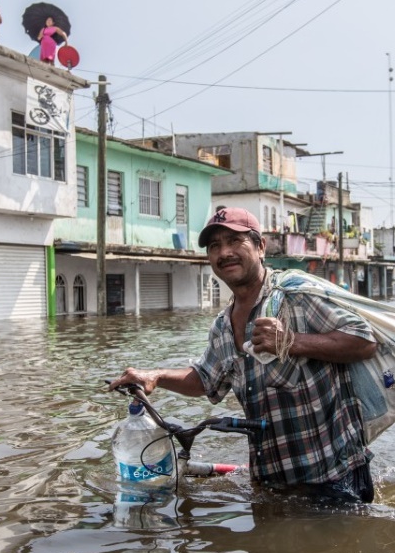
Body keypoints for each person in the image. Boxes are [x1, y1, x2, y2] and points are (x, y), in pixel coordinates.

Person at [108, 207, 379, 504]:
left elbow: (364, 341)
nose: (224, 252)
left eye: (235, 241)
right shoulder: (223, 326)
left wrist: (291, 341)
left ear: (261, 247)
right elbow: (204, 379)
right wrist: (156, 376)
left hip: (335, 479)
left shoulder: (295, 295)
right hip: (271, 484)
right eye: (215, 246)